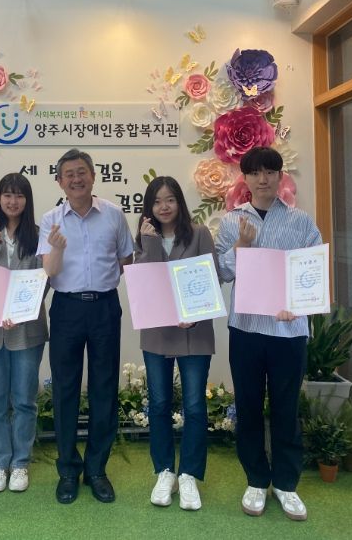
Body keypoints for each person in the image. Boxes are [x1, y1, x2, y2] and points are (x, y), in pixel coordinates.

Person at [215, 147, 321, 521]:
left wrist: (300, 305)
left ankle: (287, 484)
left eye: (270, 172)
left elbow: (312, 271)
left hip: (288, 329)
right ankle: (257, 480)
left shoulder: (301, 221)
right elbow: (222, 273)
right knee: (248, 406)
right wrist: (241, 247)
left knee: (286, 407)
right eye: (256, 173)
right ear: (244, 178)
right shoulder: (231, 221)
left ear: (280, 176)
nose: (263, 179)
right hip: (246, 328)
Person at [37, 149, 134, 504]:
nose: (76, 179)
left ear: (93, 175)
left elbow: (126, 259)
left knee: (104, 388)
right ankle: (67, 470)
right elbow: (48, 271)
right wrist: (57, 250)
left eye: (82, 172)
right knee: (65, 389)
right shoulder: (50, 220)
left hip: (105, 307)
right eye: (69, 174)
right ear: (59, 181)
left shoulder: (113, 215)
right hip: (66, 308)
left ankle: (96, 469)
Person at [135, 176, 217, 511]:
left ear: (180, 202)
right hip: (157, 332)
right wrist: (150, 243)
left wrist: (194, 315)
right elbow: (145, 284)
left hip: (194, 333)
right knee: (158, 404)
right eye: (157, 201)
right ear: (149, 207)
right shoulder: (144, 237)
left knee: (195, 406)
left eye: (170, 199)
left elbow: (210, 279)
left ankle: (189, 475)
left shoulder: (199, 233)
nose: (164, 207)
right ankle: (165, 471)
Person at [0, 173, 48, 494]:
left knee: (25, 400)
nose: (12, 201)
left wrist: (18, 311)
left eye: (19, 195)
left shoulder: (39, 236)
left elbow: (44, 280)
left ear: (27, 200)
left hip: (26, 328)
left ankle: (20, 464)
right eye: (7, 195)